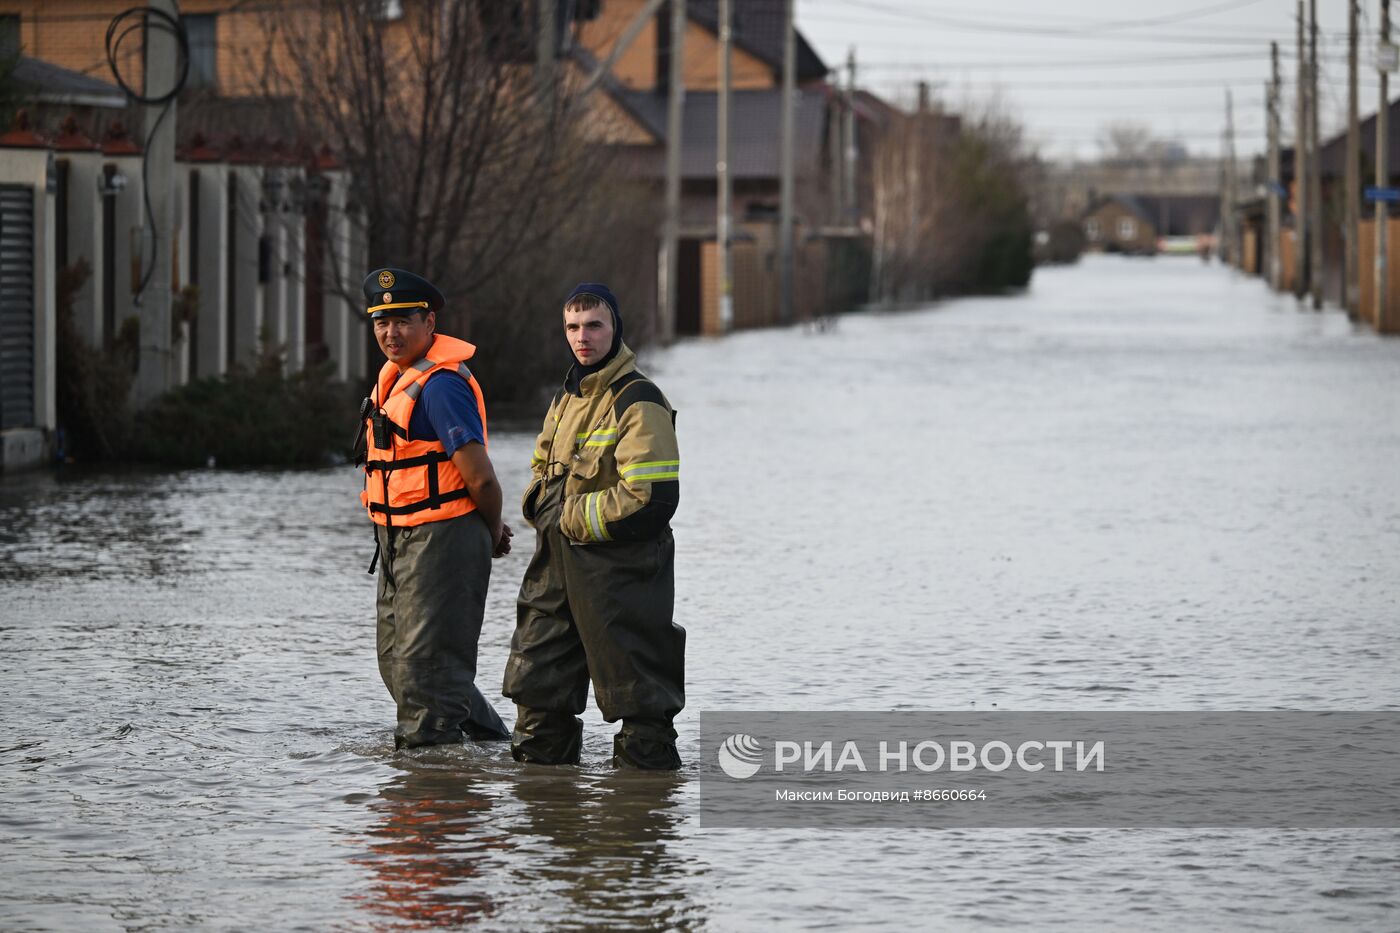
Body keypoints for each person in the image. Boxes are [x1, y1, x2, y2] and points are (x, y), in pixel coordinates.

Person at [503, 283, 686, 770]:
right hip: (553, 568)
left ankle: (641, 822)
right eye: (573, 327)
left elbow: (653, 500)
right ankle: (548, 819)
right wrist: (539, 508)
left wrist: (567, 517)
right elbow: (543, 468)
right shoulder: (565, 397)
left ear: (615, 328)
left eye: (594, 325)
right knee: (537, 693)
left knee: (640, 705)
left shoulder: (639, 399)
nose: (582, 336)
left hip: (620, 574)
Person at [356, 267, 513, 748]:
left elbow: (481, 476)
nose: (391, 333)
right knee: (400, 665)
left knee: (426, 676)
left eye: (403, 321)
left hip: (442, 536)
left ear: (429, 322)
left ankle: (432, 798)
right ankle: (494, 747)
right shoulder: (394, 382)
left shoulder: (442, 387)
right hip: (397, 540)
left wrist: (491, 530)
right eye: (382, 323)